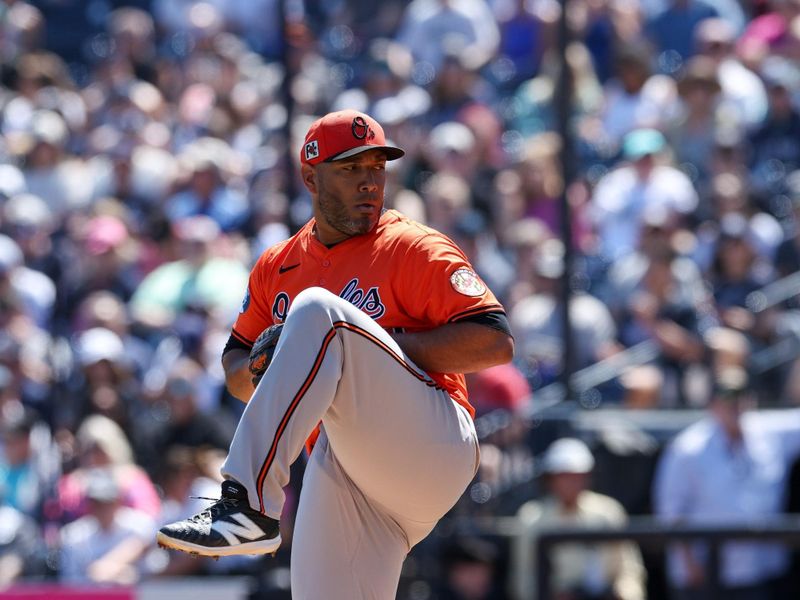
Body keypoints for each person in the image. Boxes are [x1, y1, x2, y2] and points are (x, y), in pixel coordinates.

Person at [157, 109, 514, 599]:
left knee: (323, 313)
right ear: (310, 176)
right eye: (351, 169)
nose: (370, 182)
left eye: (377, 168)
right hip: (346, 472)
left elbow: (495, 341)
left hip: (431, 443)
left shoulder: (412, 247)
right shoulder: (277, 265)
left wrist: (371, 343)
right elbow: (236, 373)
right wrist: (269, 367)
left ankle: (247, 504)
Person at [653, 367, 800, 599]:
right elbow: (671, 512)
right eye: (727, 399)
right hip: (705, 574)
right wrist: (690, 564)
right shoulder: (687, 449)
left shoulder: (769, 432)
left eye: (741, 397)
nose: (735, 405)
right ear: (712, 404)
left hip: (758, 571)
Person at [512, 437, 646, 600]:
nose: (572, 482)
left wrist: (623, 594)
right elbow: (524, 579)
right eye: (564, 476)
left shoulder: (609, 511)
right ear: (550, 479)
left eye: (578, 475)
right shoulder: (531, 518)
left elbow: (629, 569)